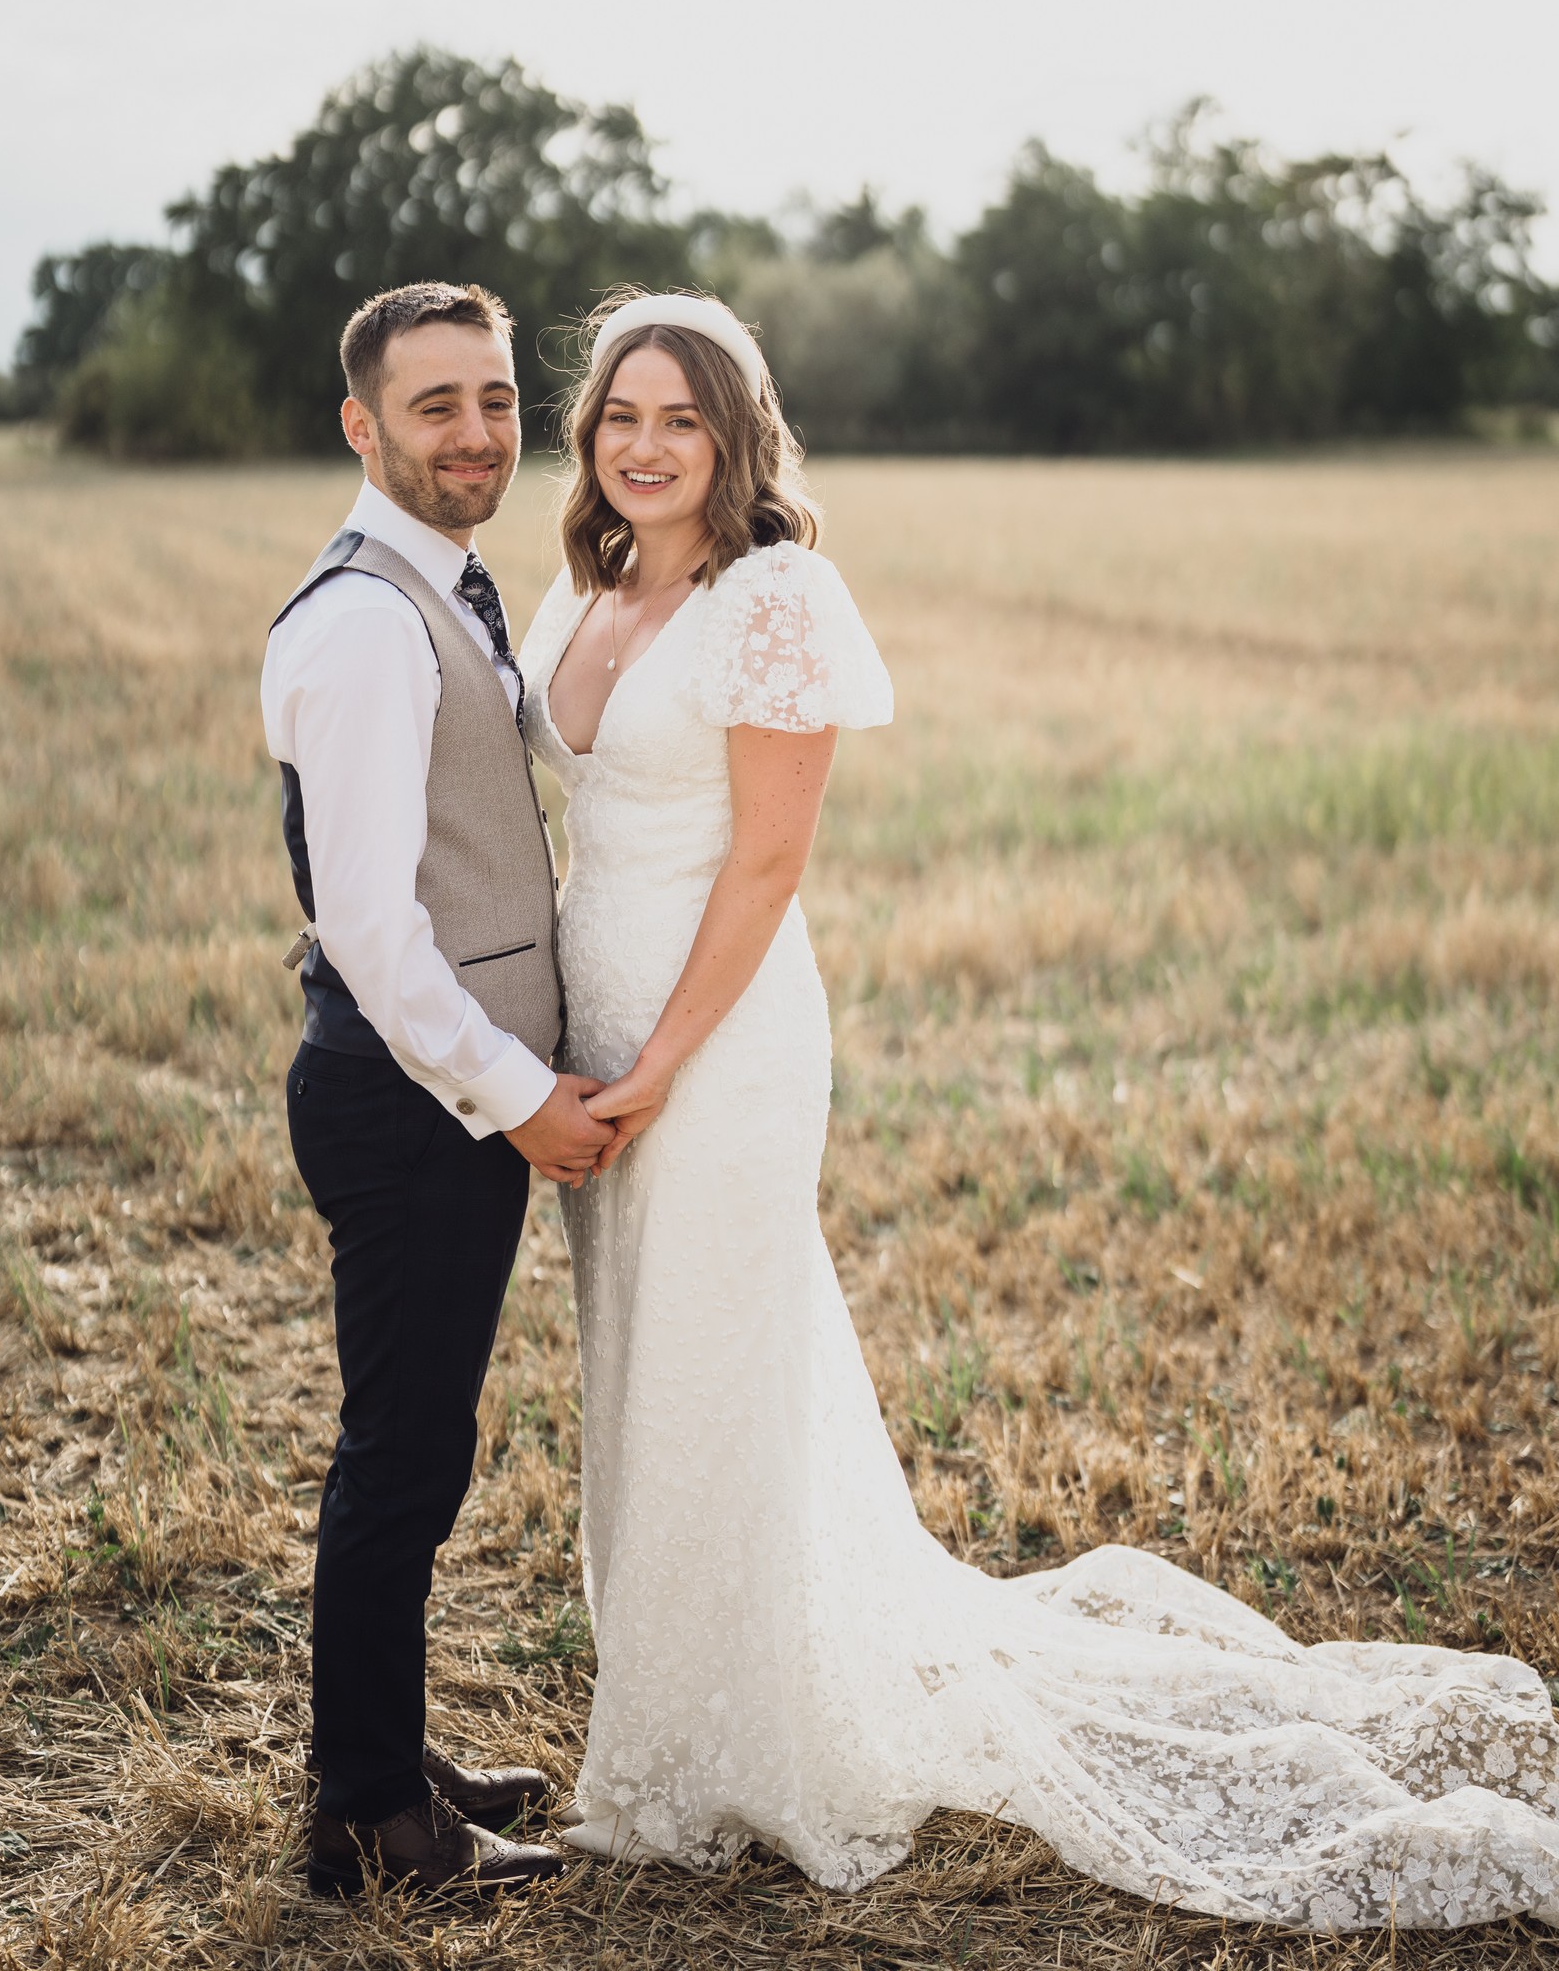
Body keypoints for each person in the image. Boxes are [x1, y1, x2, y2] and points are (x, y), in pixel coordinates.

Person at [517, 287, 1559, 1930]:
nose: (643, 447)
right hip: (598, 1033)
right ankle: (677, 1695)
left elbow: (772, 860)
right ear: (589, 436)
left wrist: (657, 1065)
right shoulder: (585, 582)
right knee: (646, 1362)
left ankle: (740, 1746)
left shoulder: (773, 594)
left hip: (714, 1043)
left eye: (681, 419)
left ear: (736, 435)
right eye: (619, 417)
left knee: (720, 1354)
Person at [262, 280, 609, 1899]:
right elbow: (378, 937)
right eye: (435, 406)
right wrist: (515, 1094)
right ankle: (368, 1822)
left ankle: (385, 1755)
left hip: (435, 1105)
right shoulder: (361, 625)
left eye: (496, 400)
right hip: (410, 1108)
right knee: (402, 1455)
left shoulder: (450, 588)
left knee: (420, 1445)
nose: (476, 433)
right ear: (362, 425)